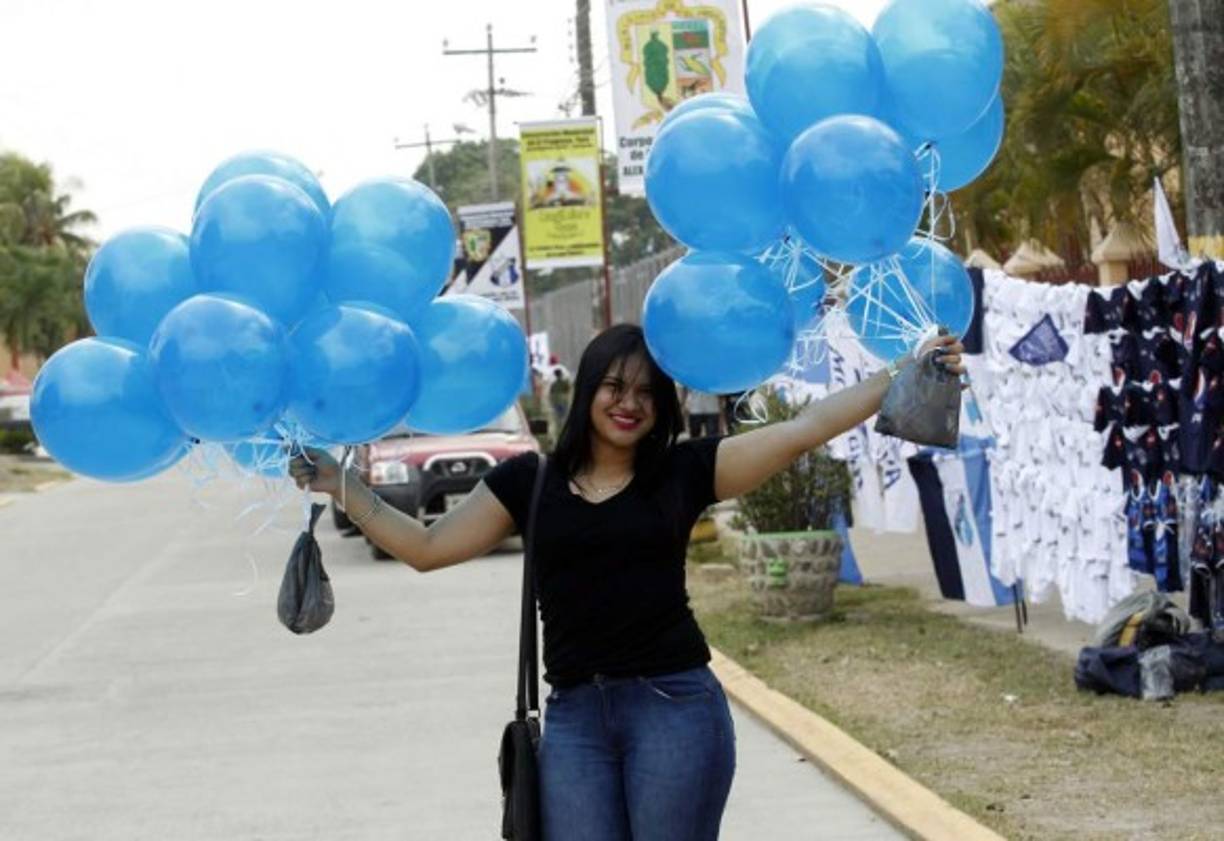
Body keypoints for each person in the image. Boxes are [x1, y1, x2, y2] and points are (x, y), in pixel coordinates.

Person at [290, 323, 965, 841]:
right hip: (577, 717)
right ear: (588, 390)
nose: (629, 403)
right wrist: (339, 483)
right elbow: (428, 546)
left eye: (646, 391)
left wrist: (902, 372)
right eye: (615, 386)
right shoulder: (532, 481)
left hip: (675, 708)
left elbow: (803, 430)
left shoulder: (682, 471)